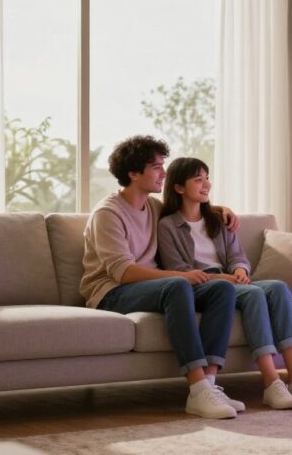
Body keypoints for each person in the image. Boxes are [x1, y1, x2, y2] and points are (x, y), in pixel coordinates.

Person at [81, 136, 242, 419]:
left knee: (221, 289)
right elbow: (123, 272)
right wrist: (183, 275)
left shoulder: (154, 207)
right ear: (133, 173)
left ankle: (209, 384)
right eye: (156, 167)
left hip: (152, 288)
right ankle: (196, 388)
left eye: (163, 166)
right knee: (178, 283)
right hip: (112, 293)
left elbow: (190, 209)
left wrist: (220, 209)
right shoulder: (108, 213)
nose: (164, 174)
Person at [157, 157, 292, 410]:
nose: (206, 185)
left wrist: (239, 270)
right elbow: (178, 269)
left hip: (232, 279)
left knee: (278, 287)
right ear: (179, 188)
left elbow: (238, 256)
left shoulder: (218, 220)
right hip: (203, 285)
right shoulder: (167, 226)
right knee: (254, 295)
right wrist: (223, 278)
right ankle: (271, 382)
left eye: (207, 178)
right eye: (198, 179)